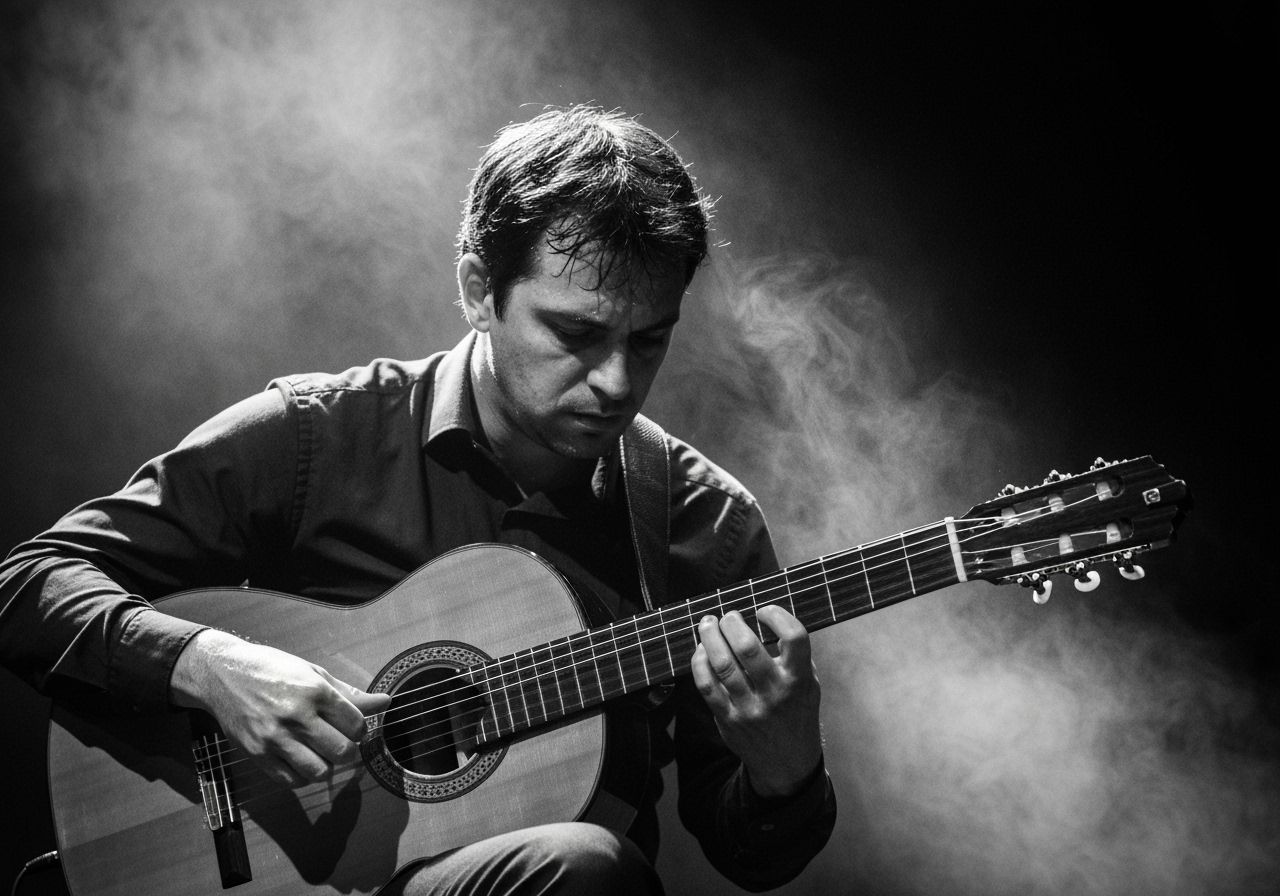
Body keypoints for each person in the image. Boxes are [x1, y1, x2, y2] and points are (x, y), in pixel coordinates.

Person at [0, 105, 835, 894]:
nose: (617, 380)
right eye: (577, 335)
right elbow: (30, 581)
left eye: (649, 340)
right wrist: (208, 666)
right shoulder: (317, 436)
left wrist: (784, 763)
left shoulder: (702, 526)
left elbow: (746, 859)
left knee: (587, 870)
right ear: (479, 289)